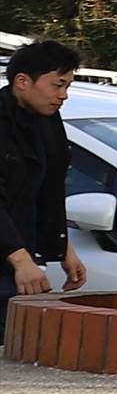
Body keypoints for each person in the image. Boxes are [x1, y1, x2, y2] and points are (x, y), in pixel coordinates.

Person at [0, 40, 85, 314]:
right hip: (12, 258)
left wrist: (63, 248)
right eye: (57, 85)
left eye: (67, 86)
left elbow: (49, 189)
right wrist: (19, 259)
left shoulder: (48, 120)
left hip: (28, 255)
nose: (63, 95)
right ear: (23, 81)